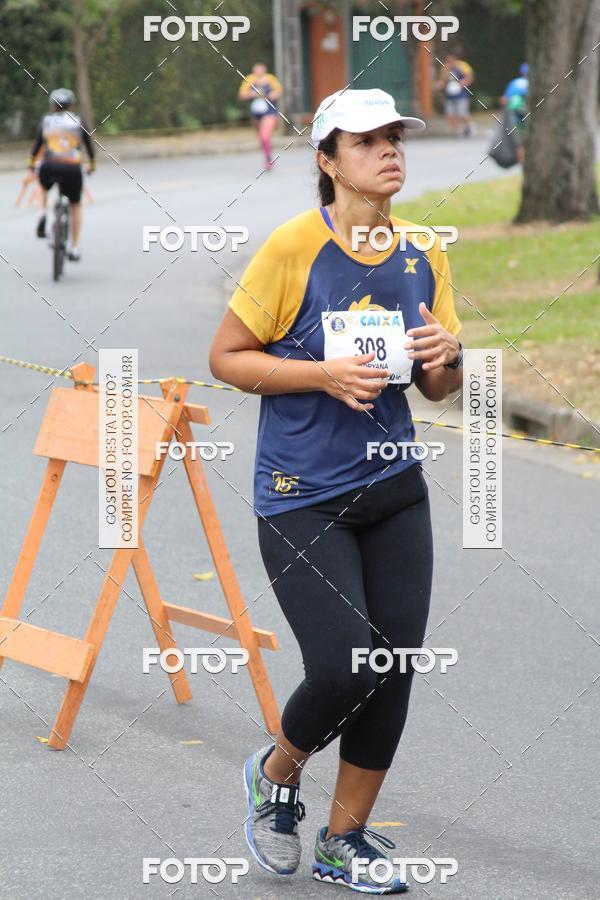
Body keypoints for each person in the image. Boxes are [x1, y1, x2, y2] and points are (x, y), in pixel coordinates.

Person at [209, 88, 463, 893]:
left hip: (396, 487)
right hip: (303, 496)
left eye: (394, 137)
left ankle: (342, 842)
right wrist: (321, 373)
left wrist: (448, 356)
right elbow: (227, 357)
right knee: (348, 666)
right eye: (366, 141)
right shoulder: (294, 247)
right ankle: (275, 774)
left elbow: (439, 387)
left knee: (393, 665)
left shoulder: (423, 251)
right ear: (327, 160)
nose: (388, 150)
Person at [27, 88, 95, 261]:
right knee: (75, 204)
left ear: (53, 106)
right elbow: (89, 146)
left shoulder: (47, 121)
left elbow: (37, 146)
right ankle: (74, 248)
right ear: (71, 106)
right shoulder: (78, 121)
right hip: (72, 167)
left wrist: (31, 164)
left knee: (41, 185)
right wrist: (92, 164)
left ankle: (41, 213)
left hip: (49, 165)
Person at [238, 62, 282, 171]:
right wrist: (252, 94)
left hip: (269, 111)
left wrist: (273, 94)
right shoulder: (249, 79)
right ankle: (267, 154)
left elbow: (279, 90)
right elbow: (241, 95)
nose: (258, 72)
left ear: (264, 70)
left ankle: (268, 160)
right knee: (262, 138)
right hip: (255, 113)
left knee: (265, 136)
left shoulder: (270, 79)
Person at [435, 51, 475, 137]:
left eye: (451, 59)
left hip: (462, 95)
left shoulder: (463, 66)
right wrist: (440, 85)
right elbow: (443, 81)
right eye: (448, 60)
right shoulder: (445, 68)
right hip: (450, 95)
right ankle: (455, 130)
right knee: (450, 113)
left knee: (462, 113)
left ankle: (468, 126)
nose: (450, 61)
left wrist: (462, 84)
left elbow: (470, 77)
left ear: (455, 59)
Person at [501, 63, 529, 163]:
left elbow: (504, 100)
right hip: (529, 113)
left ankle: (522, 160)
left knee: (519, 140)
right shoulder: (537, 82)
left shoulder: (515, 83)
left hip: (515, 114)